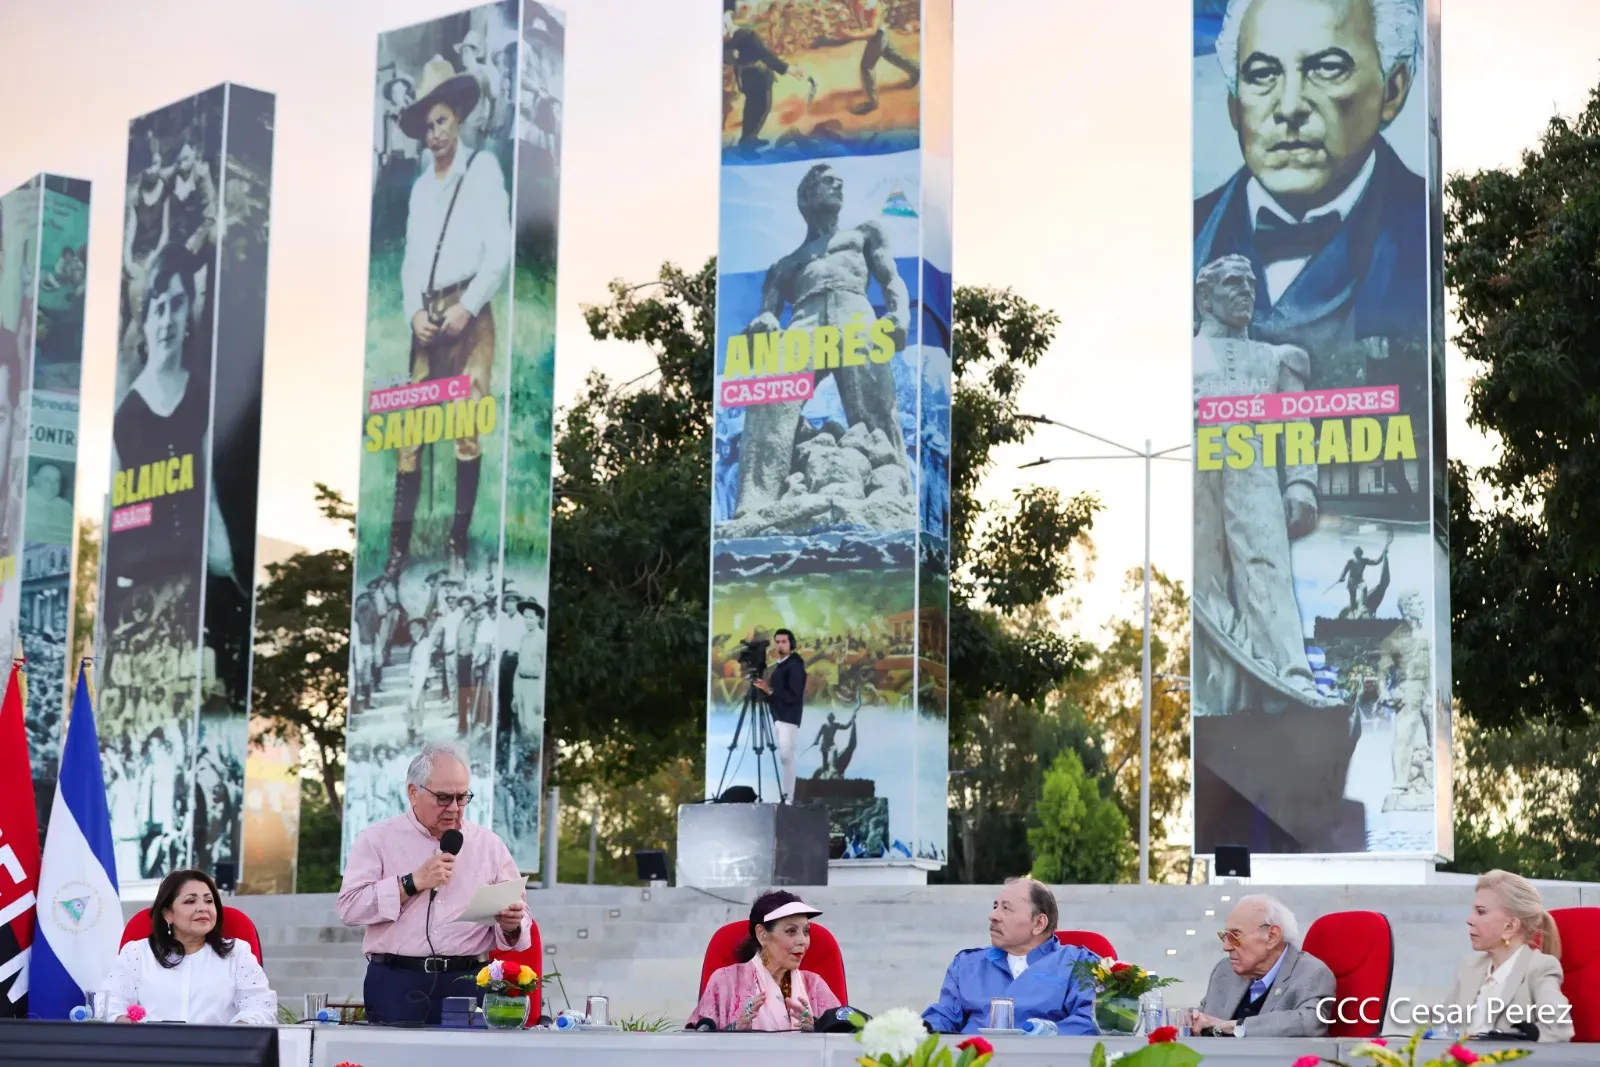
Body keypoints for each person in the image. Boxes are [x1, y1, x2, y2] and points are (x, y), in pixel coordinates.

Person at [1194, 0, 1426, 348]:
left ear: (1392, 90)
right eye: (1261, 74)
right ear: (1234, 106)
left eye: (1328, 68)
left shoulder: (1424, 230)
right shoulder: (1191, 232)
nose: (1290, 107)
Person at [724, 163, 914, 538]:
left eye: (840, 180)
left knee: (876, 406)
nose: (839, 184)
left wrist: (900, 315)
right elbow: (767, 313)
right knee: (771, 389)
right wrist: (763, 322)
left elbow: (891, 279)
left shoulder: (863, 235)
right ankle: (756, 502)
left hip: (855, 314)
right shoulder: (786, 265)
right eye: (829, 181)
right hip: (805, 322)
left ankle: (894, 491)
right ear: (807, 197)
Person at [1192, 255, 1340, 717]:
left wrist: (1301, 485)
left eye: (1251, 283)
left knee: (1267, 566)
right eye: (1233, 283)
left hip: (1251, 462)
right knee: (1202, 580)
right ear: (1206, 297)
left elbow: (1298, 424)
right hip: (1197, 464)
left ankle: (1289, 675)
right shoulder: (1187, 356)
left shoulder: (1277, 359)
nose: (1245, 291)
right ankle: (1219, 692)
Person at [389, 55, 511, 578]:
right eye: (427, 126)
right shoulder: (420, 189)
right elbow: (412, 259)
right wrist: (414, 311)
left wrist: (470, 304)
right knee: (411, 429)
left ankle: (458, 543)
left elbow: (500, 248)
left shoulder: (481, 168)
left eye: (442, 121)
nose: (435, 133)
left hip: (470, 309)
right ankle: (399, 548)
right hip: (430, 314)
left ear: (457, 117)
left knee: (467, 420)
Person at [337, 740, 531, 1025]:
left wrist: (512, 923)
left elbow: (521, 916)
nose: (454, 808)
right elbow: (349, 908)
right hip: (396, 981)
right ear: (413, 793)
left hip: (469, 981)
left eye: (462, 797)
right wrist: (411, 882)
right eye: (443, 798)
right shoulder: (376, 839)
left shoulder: (488, 845)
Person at [923, 877, 1096, 1035]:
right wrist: (920, 1027)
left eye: (1006, 908)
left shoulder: (1078, 963)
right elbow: (945, 1016)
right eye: (995, 906)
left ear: (1038, 923)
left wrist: (1054, 1034)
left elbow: (1092, 1020)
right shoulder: (967, 964)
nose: (993, 916)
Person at [103, 868, 276, 1025]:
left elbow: (260, 1006)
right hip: (151, 1052)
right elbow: (109, 1001)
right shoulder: (137, 953)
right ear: (168, 913)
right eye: (190, 901)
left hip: (219, 1054)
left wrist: (239, 1030)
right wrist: (121, 1020)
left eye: (209, 901)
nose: (203, 908)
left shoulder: (237, 953)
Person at [1442, 871, 1573, 1042]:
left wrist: (1517, 1035)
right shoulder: (1469, 966)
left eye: (1481, 912)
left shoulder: (1539, 967)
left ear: (1510, 926)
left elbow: (1560, 1028)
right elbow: (1441, 1024)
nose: (1469, 920)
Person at [690, 891, 840, 1031]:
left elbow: (843, 1033)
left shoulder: (814, 985)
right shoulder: (725, 980)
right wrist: (735, 1028)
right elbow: (700, 1038)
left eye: (806, 932)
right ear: (762, 934)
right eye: (791, 931)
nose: (803, 941)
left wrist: (815, 1029)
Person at [1192, 894, 1334, 1037]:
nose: (1226, 946)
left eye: (1234, 936)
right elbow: (1204, 1020)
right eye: (1225, 936)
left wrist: (1235, 1027)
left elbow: (1309, 1024)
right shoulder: (1225, 971)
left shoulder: (1312, 973)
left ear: (1272, 936)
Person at [723, 0, 808, 156]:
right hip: (755, 78)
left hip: (751, 77)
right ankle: (747, 146)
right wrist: (788, 68)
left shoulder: (741, 37)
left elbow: (762, 55)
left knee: (756, 109)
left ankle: (750, 137)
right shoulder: (746, 36)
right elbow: (765, 55)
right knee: (758, 109)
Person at [754, 628, 805, 801]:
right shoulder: (781, 665)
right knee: (784, 756)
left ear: (792, 644)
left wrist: (770, 690)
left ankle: (788, 796)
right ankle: (786, 795)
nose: (780, 645)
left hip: (788, 717)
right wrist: (766, 692)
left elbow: (793, 694)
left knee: (786, 756)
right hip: (779, 716)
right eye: (778, 642)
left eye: (784, 641)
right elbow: (778, 693)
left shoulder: (795, 666)